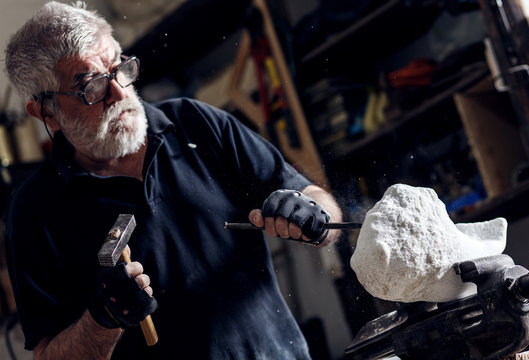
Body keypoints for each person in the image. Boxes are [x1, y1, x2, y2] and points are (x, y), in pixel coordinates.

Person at [4, 2, 342, 359]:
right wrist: (102, 320)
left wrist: (313, 214)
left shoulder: (196, 123)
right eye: (91, 86)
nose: (119, 93)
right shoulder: (34, 213)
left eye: (120, 68)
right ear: (45, 113)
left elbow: (322, 203)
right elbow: (47, 354)